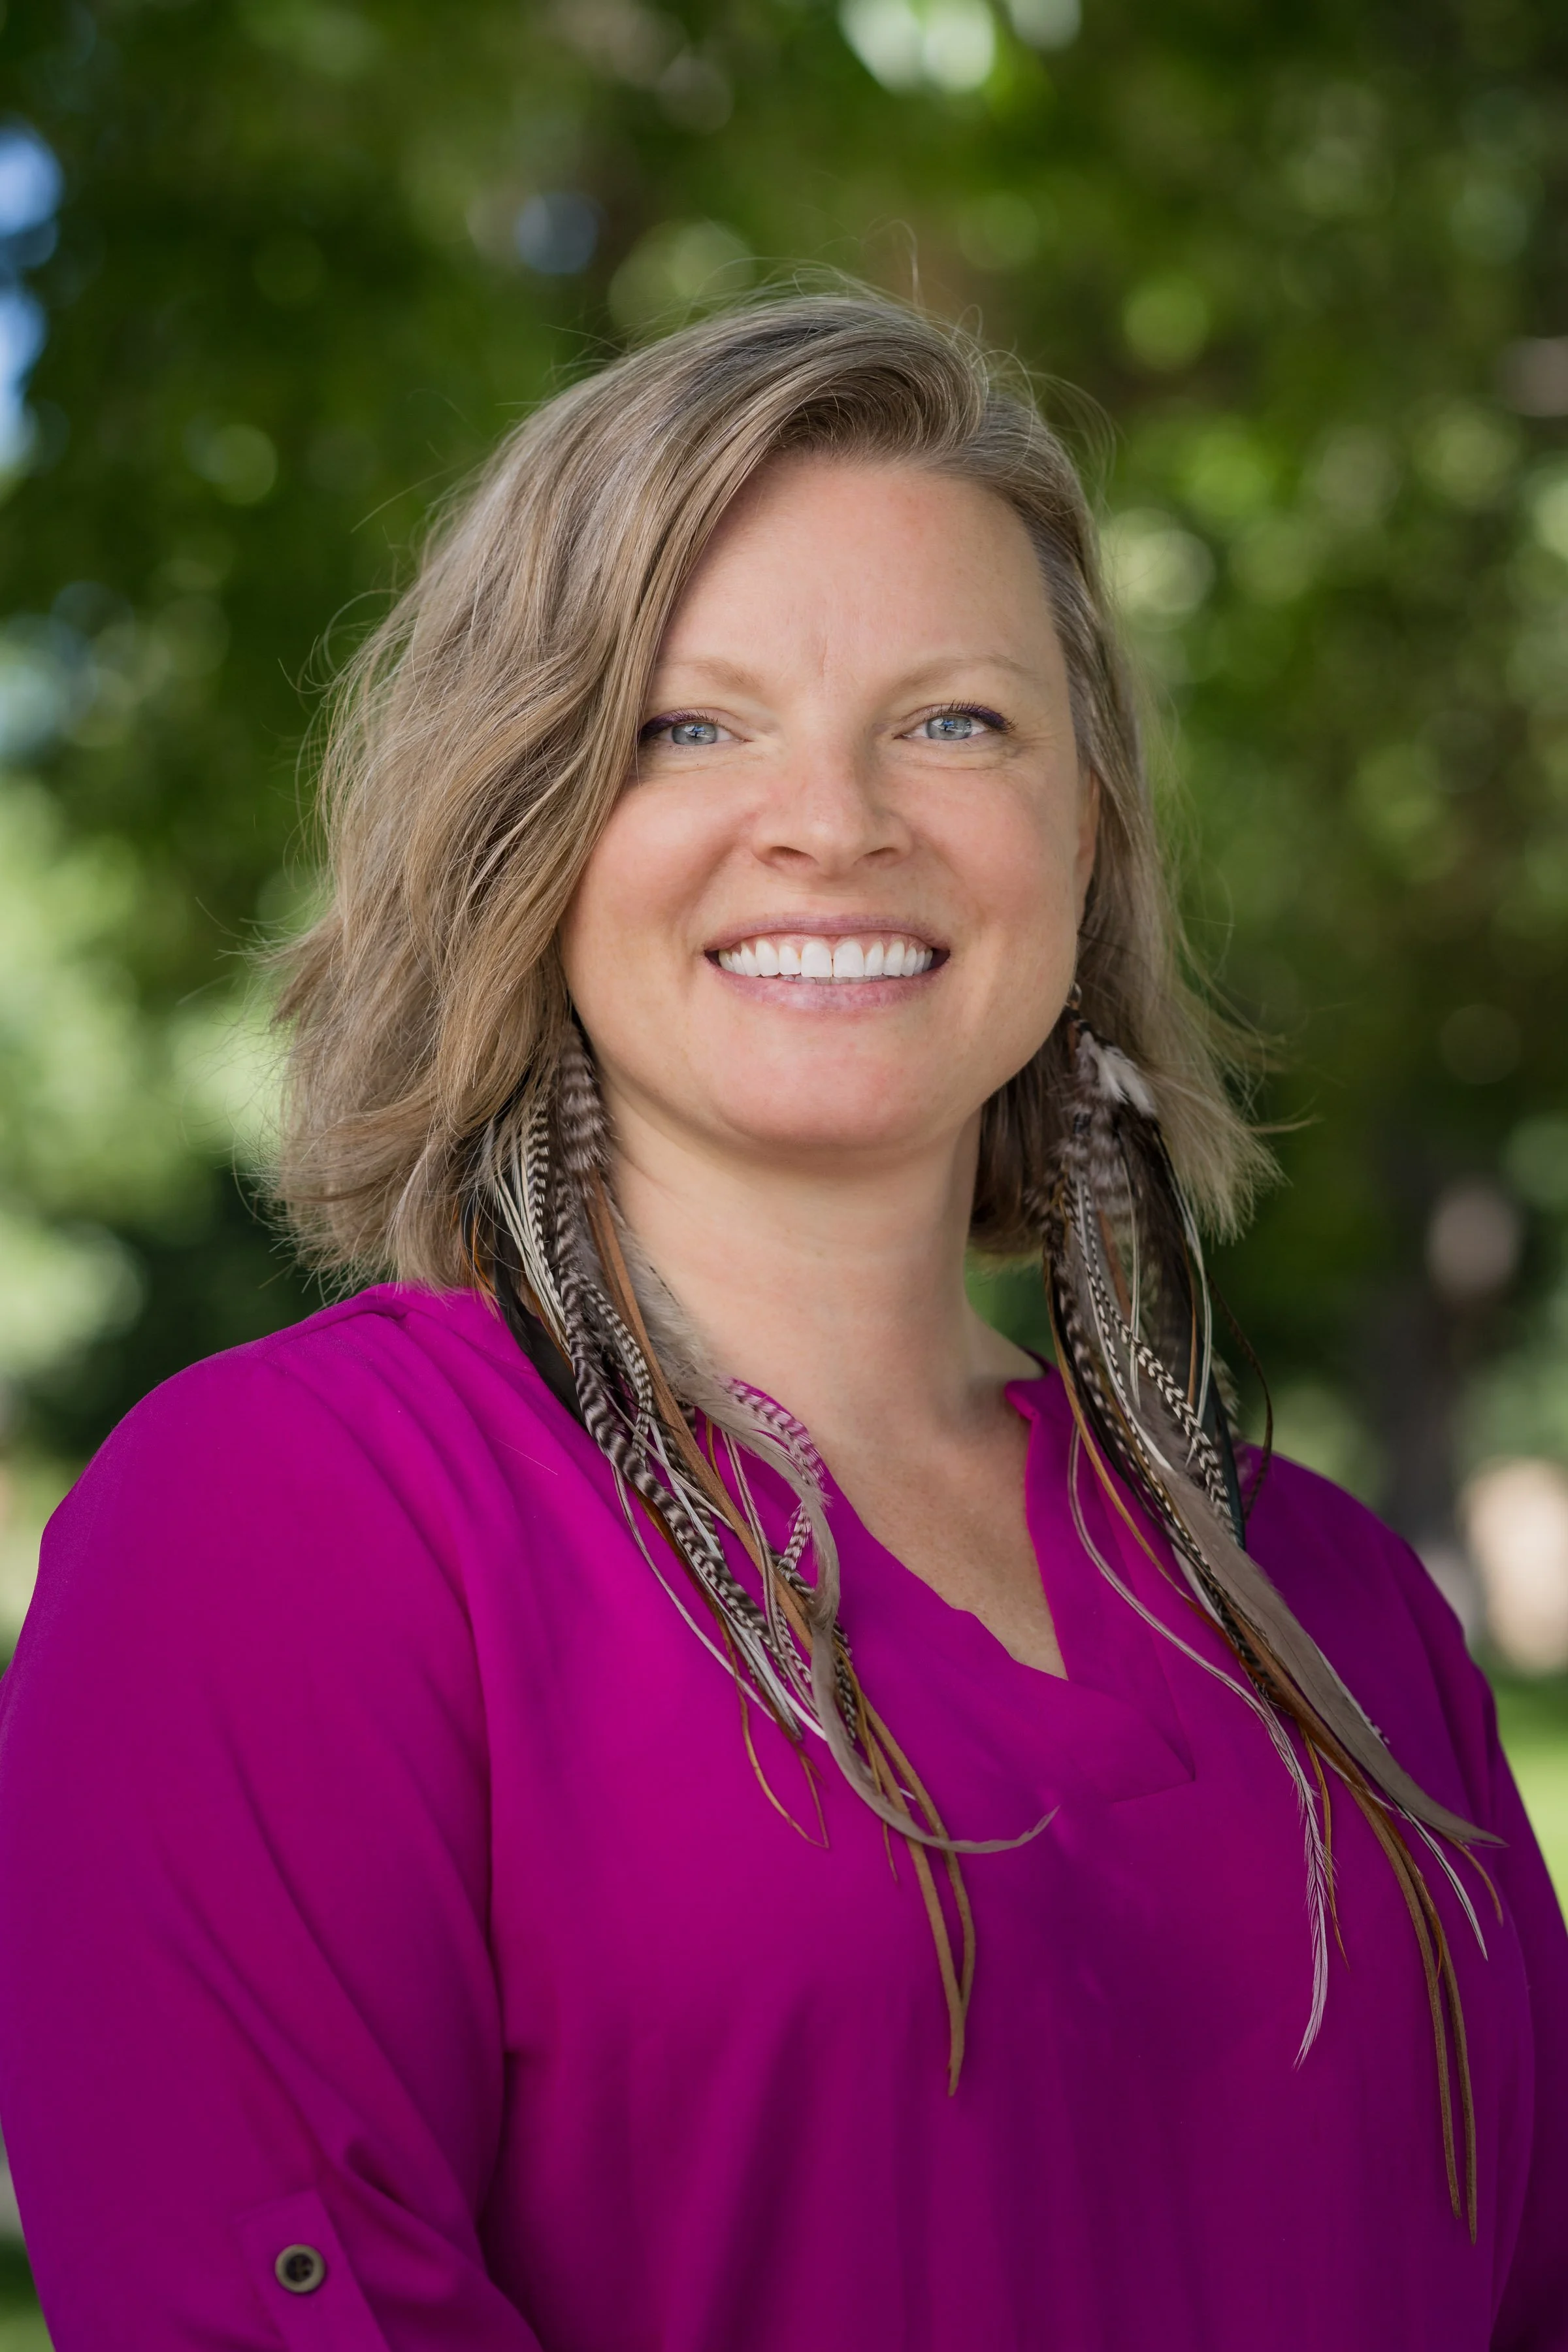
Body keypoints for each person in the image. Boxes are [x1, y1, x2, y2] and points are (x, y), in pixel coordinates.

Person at [0, 294, 1563, 2352]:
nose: (835, 821)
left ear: (1082, 843)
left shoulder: (1346, 1614)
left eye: (956, 722)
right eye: (691, 726)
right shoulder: (288, 1527)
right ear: (523, 829)